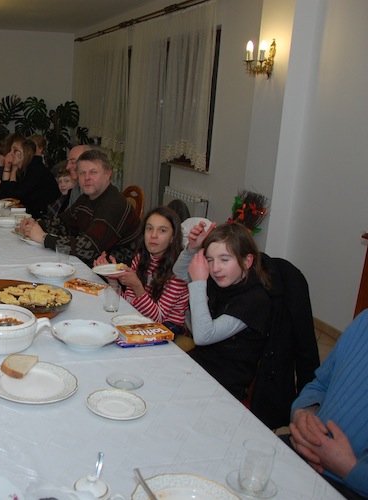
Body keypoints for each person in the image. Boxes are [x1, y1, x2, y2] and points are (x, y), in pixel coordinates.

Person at [172, 221, 271, 400]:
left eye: (225, 259)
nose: (215, 268)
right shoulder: (223, 280)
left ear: (247, 261)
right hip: (199, 368)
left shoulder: (254, 300)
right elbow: (179, 272)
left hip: (225, 385)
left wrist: (199, 283)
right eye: (210, 260)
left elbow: (203, 336)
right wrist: (192, 249)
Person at [288, 310, 368, 499]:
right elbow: (320, 385)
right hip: (302, 452)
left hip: (348, 488)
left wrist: (348, 468)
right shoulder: (364, 320)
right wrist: (302, 415)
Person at [19, 149, 141, 265]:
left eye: (93, 172)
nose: (87, 178)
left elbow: (87, 249)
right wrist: (35, 225)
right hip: (90, 264)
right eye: (82, 173)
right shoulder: (86, 198)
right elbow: (63, 224)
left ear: (107, 174)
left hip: (114, 273)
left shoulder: (113, 204)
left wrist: (43, 238)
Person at [93, 206, 189, 335]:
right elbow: (129, 304)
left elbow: (157, 319)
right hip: (140, 317)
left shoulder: (179, 270)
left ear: (173, 237)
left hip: (168, 327)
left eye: (162, 230)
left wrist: (136, 285)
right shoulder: (140, 258)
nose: (153, 235)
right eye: (149, 229)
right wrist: (112, 279)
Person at [0, 135, 61, 219]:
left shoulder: (36, 169)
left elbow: (14, 197)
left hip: (43, 216)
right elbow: (5, 193)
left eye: (15, 150)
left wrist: (13, 170)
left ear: (27, 153)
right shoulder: (23, 168)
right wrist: (7, 168)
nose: (10, 154)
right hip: (29, 211)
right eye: (11, 150)